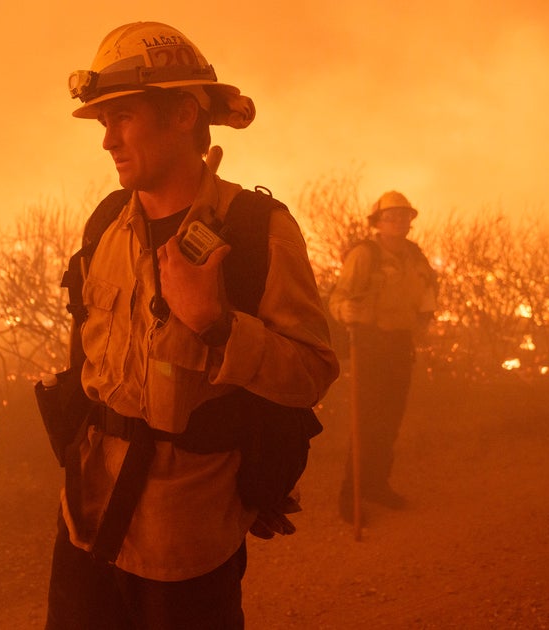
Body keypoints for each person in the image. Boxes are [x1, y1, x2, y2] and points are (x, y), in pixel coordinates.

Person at [46, 22, 339, 628]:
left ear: (183, 114)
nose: (107, 140)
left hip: (185, 539)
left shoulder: (257, 230)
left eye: (123, 117)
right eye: (103, 122)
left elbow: (312, 370)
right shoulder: (105, 225)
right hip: (86, 518)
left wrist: (215, 322)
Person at [329, 191, 437, 522]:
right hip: (370, 344)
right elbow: (338, 298)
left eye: (404, 216)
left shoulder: (414, 255)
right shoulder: (364, 255)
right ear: (378, 222)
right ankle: (350, 494)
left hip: (400, 345)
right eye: (392, 217)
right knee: (367, 421)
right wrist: (344, 310)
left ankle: (376, 484)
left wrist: (425, 316)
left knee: (390, 421)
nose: (399, 222)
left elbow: (428, 289)